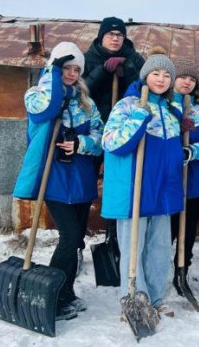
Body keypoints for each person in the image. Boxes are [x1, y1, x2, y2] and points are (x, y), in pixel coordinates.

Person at [13, 42, 104, 321]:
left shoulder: (86, 102)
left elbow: (101, 138)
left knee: (75, 241)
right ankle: (55, 295)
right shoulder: (36, 94)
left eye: (77, 69)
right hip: (53, 178)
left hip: (80, 177)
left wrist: (81, 143)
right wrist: (53, 77)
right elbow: (43, 112)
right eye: (66, 67)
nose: (72, 73)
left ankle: (66, 293)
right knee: (70, 236)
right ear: (55, 67)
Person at [101, 47, 183, 318]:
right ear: (146, 76)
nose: (161, 79)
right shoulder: (127, 105)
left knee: (159, 248)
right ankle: (134, 297)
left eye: (166, 75)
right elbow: (110, 142)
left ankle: (157, 297)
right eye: (155, 73)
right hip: (135, 189)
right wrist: (139, 117)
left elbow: (171, 153)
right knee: (133, 248)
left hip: (162, 190)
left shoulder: (171, 112)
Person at [82, 16, 146, 261]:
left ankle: (115, 238)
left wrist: (128, 70)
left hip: (123, 135)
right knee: (87, 184)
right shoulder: (88, 59)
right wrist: (103, 71)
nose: (116, 38)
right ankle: (77, 242)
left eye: (120, 35)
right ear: (101, 36)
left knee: (119, 184)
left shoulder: (135, 59)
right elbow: (82, 90)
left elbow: (143, 89)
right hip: (95, 130)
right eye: (111, 34)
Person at [169, 61, 199, 293]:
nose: (187, 82)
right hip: (169, 179)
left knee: (187, 232)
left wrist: (192, 151)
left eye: (191, 79)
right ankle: (155, 272)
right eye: (182, 78)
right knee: (165, 232)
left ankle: (182, 274)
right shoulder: (164, 106)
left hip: (194, 180)